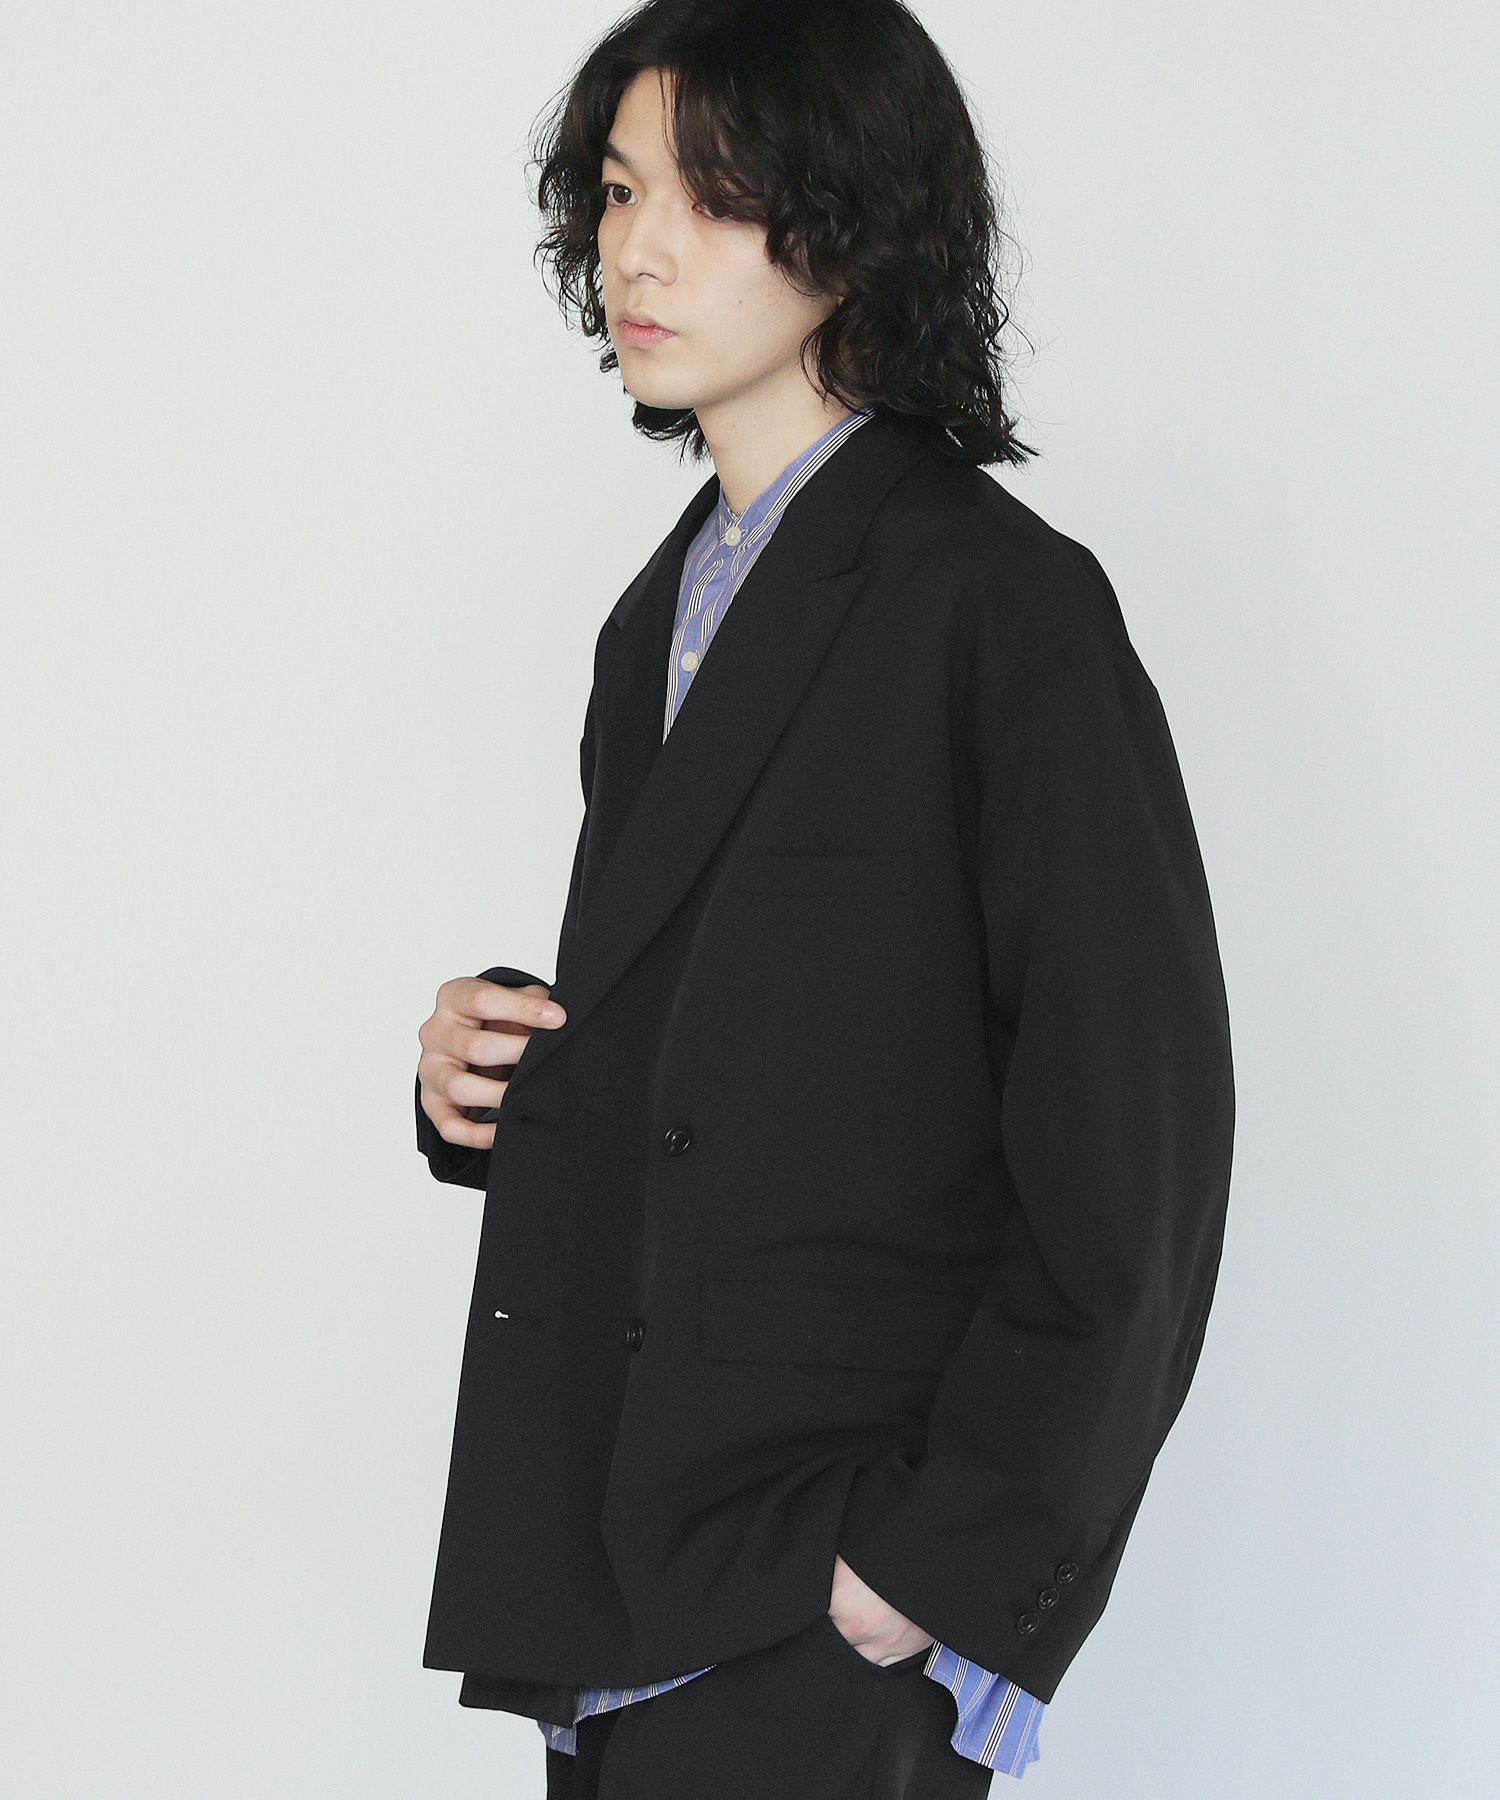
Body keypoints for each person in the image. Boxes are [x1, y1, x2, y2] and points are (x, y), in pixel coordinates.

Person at [414, 3, 1235, 1795]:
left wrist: (937, 1568)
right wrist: (498, 1071)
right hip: (620, 1576)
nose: (638, 249)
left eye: (711, 197)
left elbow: (1139, 1164)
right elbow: (760, 1040)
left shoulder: (1003, 609)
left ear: (855, 226)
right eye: (618, 191)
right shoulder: (658, 617)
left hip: (824, 1579)